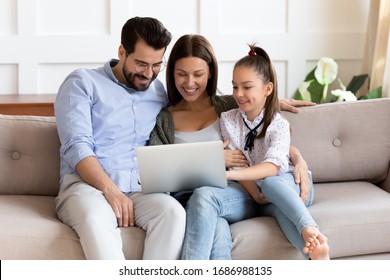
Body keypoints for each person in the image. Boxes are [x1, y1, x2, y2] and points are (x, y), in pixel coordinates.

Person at [149, 34, 316, 259]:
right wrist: (212, 161)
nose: (189, 83)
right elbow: (156, 171)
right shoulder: (164, 119)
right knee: (217, 237)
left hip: (231, 192)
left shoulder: (228, 105)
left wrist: (298, 160)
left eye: (198, 74)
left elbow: (266, 130)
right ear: (172, 74)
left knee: (211, 206)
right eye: (181, 74)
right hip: (195, 199)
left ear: (210, 73)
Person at [54, 17, 186, 260]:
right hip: (87, 188)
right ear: (122, 51)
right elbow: (76, 146)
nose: (149, 74)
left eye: (157, 65)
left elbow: (202, 101)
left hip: (140, 190)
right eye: (141, 64)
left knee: (173, 213)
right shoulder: (82, 83)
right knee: (95, 219)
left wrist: (271, 104)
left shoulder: (158, 92)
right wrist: (111, 191)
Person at [221, 44, 330, 260]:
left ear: (267, 89)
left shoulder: (278, 124)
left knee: (271, 183)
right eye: (234, 87)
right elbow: (237, 162)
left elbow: (272, 168)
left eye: (247, 87)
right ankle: (317, 256)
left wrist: (228, 175)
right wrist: (256, 195)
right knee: (280, 213)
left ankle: (310, 227)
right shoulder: (228, 120)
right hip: (261, 194)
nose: (238, 94)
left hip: (290, 184)